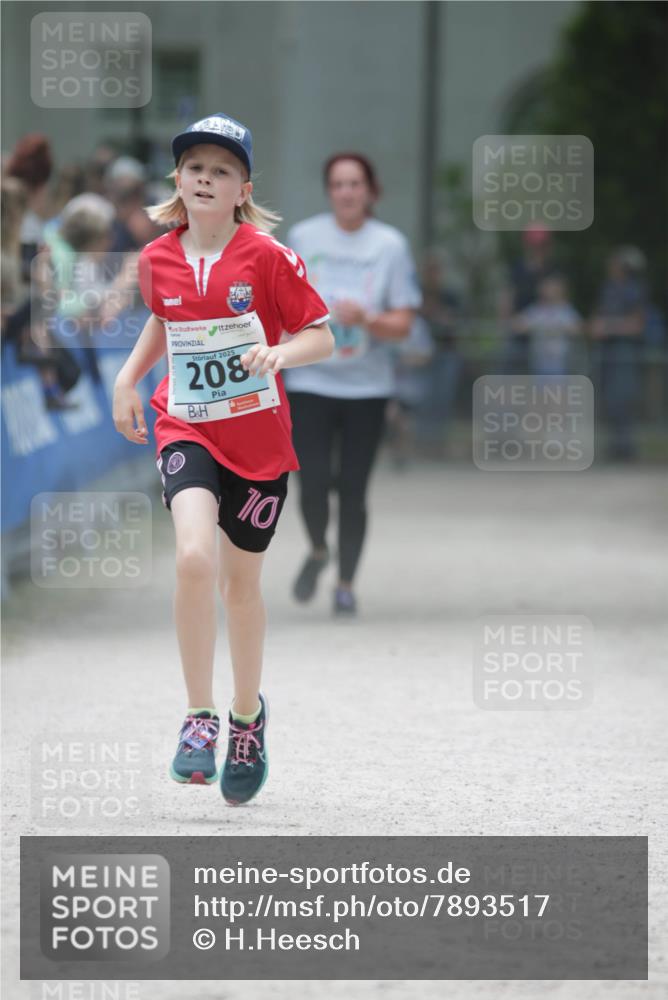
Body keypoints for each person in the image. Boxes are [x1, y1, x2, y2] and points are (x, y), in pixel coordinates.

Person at [112, 113, 333, 805]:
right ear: (179, 180)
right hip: (186, 425)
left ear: (243, 189)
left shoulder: (268, 257)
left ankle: (246, 719)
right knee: (191, 559)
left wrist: (280, 352)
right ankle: (199, 718)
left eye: (222, 170)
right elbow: (163, 317)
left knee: (240, 589)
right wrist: (127, 379)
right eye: (195, 167)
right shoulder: (157, 258)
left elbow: (321, 337)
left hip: (260, 444)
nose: (206, 178)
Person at [284, 152, 421, 615]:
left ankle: (345, 584)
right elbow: (280, 304)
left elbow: (403, 323)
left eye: (355, 184)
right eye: (338, 184)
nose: (346, 192)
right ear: (329, 191)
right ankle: (319, 550)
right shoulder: (304, 236)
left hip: (367, 386)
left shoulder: (389, 245)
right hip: (310, 380)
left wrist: (368, 318)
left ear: (370, 191)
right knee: (313, 483)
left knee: (354, 488)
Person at [589, 246, 648, 460]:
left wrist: (610, 327)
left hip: (625, 351)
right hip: (607, 351)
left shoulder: (634, 289)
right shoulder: (608, 289)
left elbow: (637, 324)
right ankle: (614, 446)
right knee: (609, 398)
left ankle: (626, 446)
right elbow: (596, 322)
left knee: (624, 397)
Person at [512, 274, 582, 379]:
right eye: (547, 288)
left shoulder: (565, 310)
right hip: (539, 362)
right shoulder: (537, 310)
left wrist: (559, 327)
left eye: (553, 288)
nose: (549, 291)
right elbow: (517, 325)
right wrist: (532, 326)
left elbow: (577, 328)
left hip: (559, 363)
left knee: (556, 393)